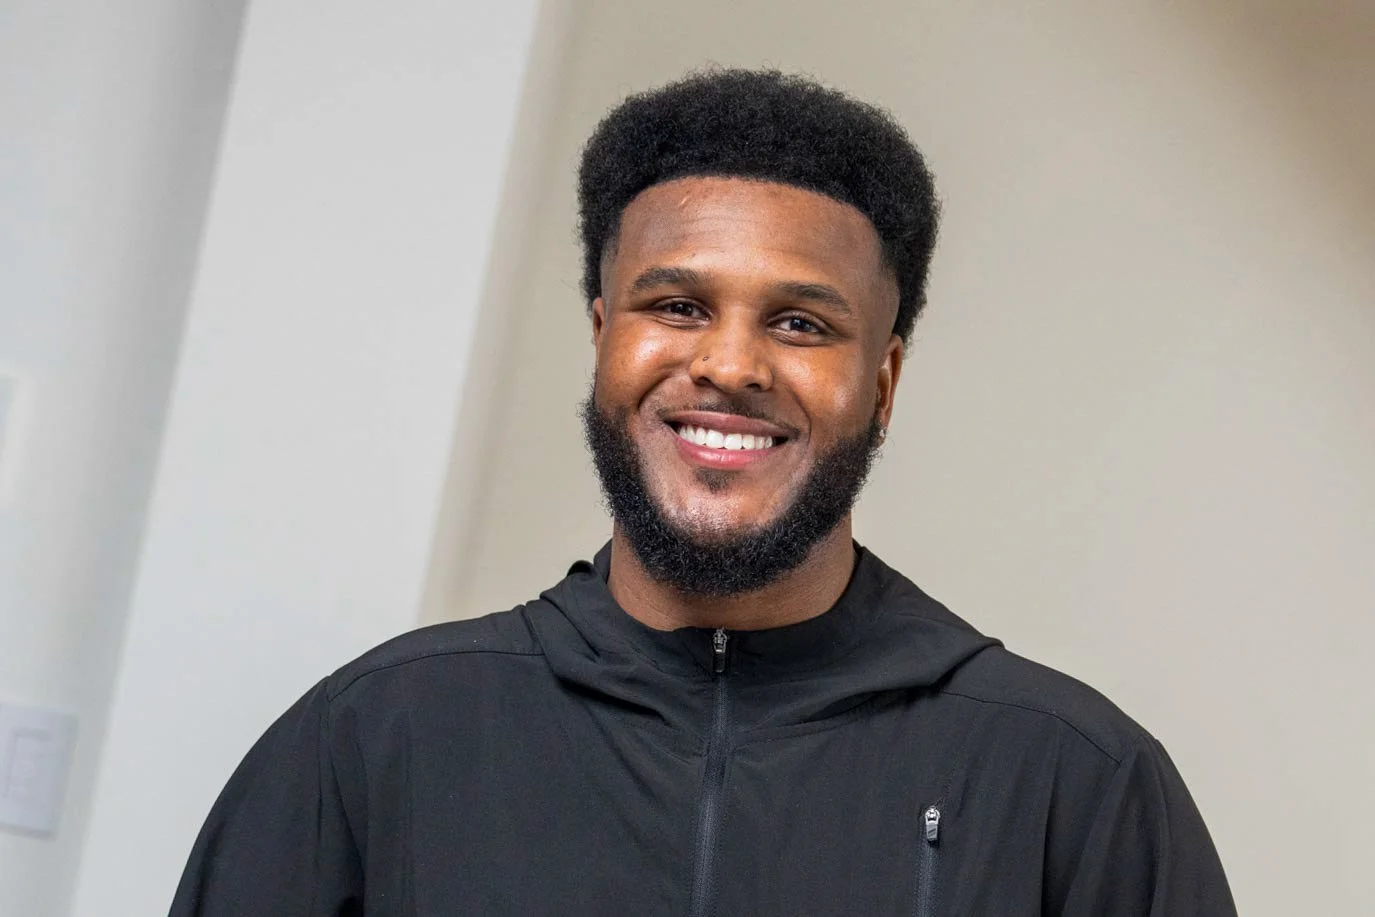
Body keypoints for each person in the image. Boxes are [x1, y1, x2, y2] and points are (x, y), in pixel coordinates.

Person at [171, 69, 1235, 916]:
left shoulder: (1073, 782)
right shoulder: (372, 739)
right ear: (603, 338)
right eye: (677, 306)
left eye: (800, 323)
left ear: (883, 382)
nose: (729, 364)